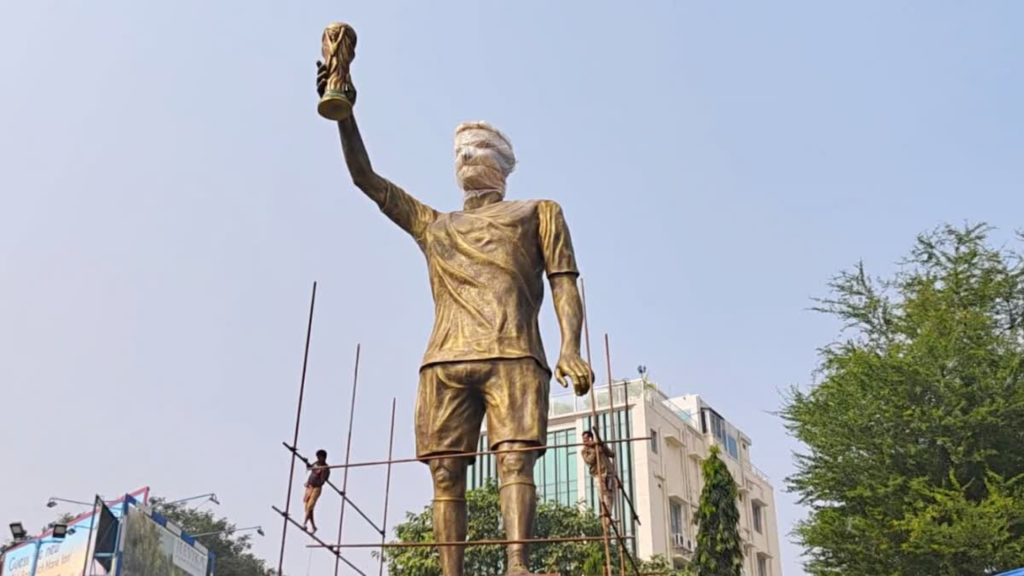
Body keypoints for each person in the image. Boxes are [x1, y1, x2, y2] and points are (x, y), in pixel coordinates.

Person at [317, 62, 595, 576]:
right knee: (445, 471)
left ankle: (518, 564)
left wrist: (570, 347)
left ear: (502, 166)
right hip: (445, 359)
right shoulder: (434, 224)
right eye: (461, 152)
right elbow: (367, 180)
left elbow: (564, 280)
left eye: (479, 150)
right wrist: (345, 115)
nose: (468, 158)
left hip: (512, 352)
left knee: (515, 459)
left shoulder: (538, 212)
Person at [581, 430, 616, 520]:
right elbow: (589, 461)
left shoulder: (599, 445)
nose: (584, 441)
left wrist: (602, 446)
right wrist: (594, 451)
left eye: (586, 439)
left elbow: (611, 454)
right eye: (583, 439)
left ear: (590, 438)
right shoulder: (585, 450)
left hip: (608, 471)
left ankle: (608, 512)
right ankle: (605, 510)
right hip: (598, 473)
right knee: (602, 491)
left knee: (610, 493)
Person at [302, 449, 330, 534]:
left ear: (324, 458)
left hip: (317, 488)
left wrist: (321, 472)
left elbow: (323, 480)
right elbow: (310, 468)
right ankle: (313, 527)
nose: (318, 458)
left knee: (310, 505)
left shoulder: (326, 468)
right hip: (310, 487)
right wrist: (307, 463)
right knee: (307, 508)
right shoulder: (316, 463)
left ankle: (304, 523)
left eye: (319, 457)